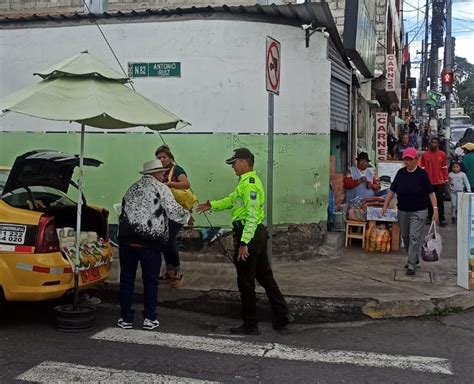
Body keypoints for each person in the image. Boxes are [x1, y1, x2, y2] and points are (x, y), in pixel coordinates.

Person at [197, 148, 291, 335]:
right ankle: (282, 315)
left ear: (244, 162)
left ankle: (250, 324)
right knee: (265, 277)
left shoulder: (249, 184)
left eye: (234, 163)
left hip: (249, 235)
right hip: (255, 235)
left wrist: (243, 243)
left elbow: (252, 216)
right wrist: (212, 205)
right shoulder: (244, 183)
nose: (232, 167)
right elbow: (232, 200)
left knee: (246, 282)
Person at [118, 159, 190, 330]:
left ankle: (126, 319)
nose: (164, 174)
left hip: (127, 241)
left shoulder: (132, 189)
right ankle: (150, 318)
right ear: (155, 174)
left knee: (126, 280)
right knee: (150, 281)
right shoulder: (161, 188)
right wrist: (187, 216)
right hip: (149, 243)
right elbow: (174, 212)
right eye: (162, 172)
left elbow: (122, 210)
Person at [382, 148, 438, 276]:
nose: (407, 162)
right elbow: (392, 190)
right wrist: (385, 205)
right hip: (403, 210)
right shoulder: (401, 173)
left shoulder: (422, 175)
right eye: (405, 160)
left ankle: (411, 264)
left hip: (419, 211)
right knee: (406, 236)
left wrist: (435, 209)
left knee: (414, 236)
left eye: (410, 159)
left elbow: (431, 193)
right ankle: (413, 257)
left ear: (416, 160)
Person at [155, 145, 191, 288]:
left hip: (178, 212)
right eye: (159, 157)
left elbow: (186, 184)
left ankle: (176, 272)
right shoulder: (157, 172)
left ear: (170, 157)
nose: (162, 159)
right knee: (164, 240)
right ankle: (169, 272)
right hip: (164, 212)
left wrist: (170, 184)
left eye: (164, 157)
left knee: (169, 239)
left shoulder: (177, 170)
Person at [419, 137, 449, 227]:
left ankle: (442, 219)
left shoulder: (442, 154)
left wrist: (446, 179)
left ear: (438, 144)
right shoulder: (425, 155)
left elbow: (444, 168)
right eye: (432, 142)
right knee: (429, 201)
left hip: (439, 182)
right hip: (428, 182)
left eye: (436, 142)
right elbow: (422, 168)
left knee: (440, 201)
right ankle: (430, 217)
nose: (434, 144)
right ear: (430, 143)